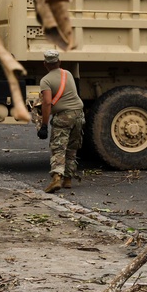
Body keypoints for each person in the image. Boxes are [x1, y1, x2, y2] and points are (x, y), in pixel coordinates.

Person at [37, 49, 84, 194]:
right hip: (78, 115)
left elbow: (47, 103)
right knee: (72, 147)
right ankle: (68, 180)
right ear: (59, 62)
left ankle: (57, 178)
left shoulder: (46, 80)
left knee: (58, 148)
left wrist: (44, 125)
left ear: (45, 64)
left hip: (63, 116)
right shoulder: (67, 74)